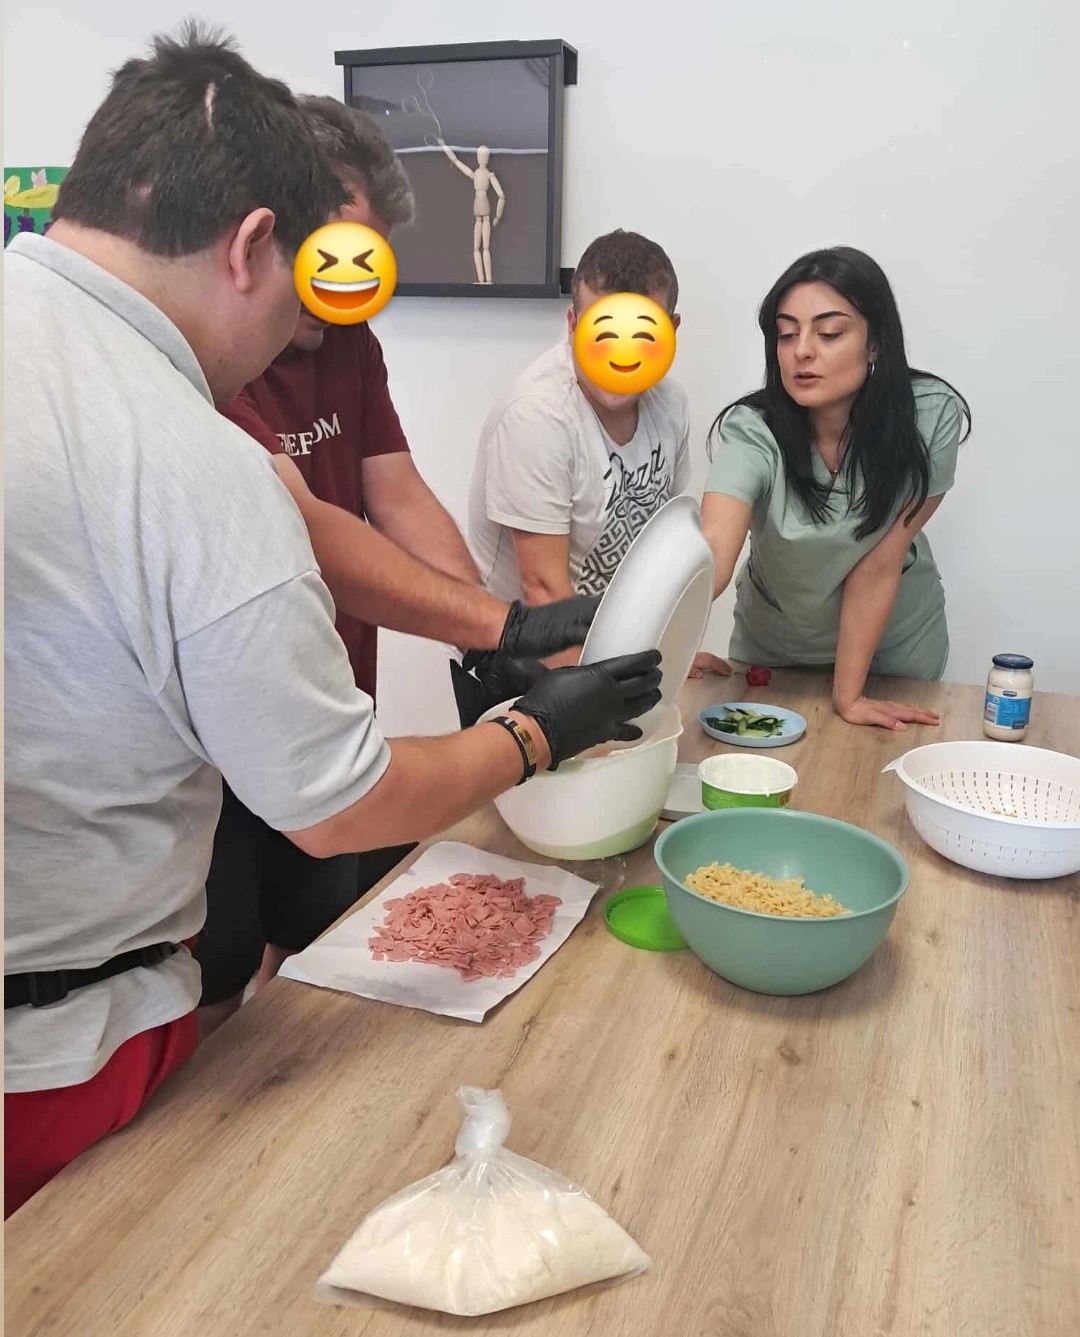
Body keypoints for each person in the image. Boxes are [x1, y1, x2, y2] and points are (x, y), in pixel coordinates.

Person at [3, 25, 662, 1217]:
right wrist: (535, 730)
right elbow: (339, 798)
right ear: (254, 243)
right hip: (55, 1049)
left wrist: (496, 627)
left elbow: (377, 499)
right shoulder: (188, 445)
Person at [195, 97, 544, 1035]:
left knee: (315, 930)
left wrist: (488, 631)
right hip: (224, 725)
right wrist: (499, 625)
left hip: (330, 692)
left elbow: (398, 497)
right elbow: (306, 530)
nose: (350, 288)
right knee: (217, 969)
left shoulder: (348, 340)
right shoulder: (216, 358)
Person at [701, 246, 971, 731]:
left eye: (828, 333)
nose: (802, 351)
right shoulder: (753, 429)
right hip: (776, 651)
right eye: (787, 334)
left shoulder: (930, 416)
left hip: (891, 653)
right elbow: (711, 556)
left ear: (875, 344)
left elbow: (878, 563)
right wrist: (661, 647)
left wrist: (850, 696)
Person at [467, 228, 731, 679]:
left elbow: (656, 552)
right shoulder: (538, 416)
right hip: (516, 660)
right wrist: (611, 690)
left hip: (606, 651)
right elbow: (543, 593)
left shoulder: (670, 405)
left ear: (671, 330)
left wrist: (665, 652)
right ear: (573, 325)